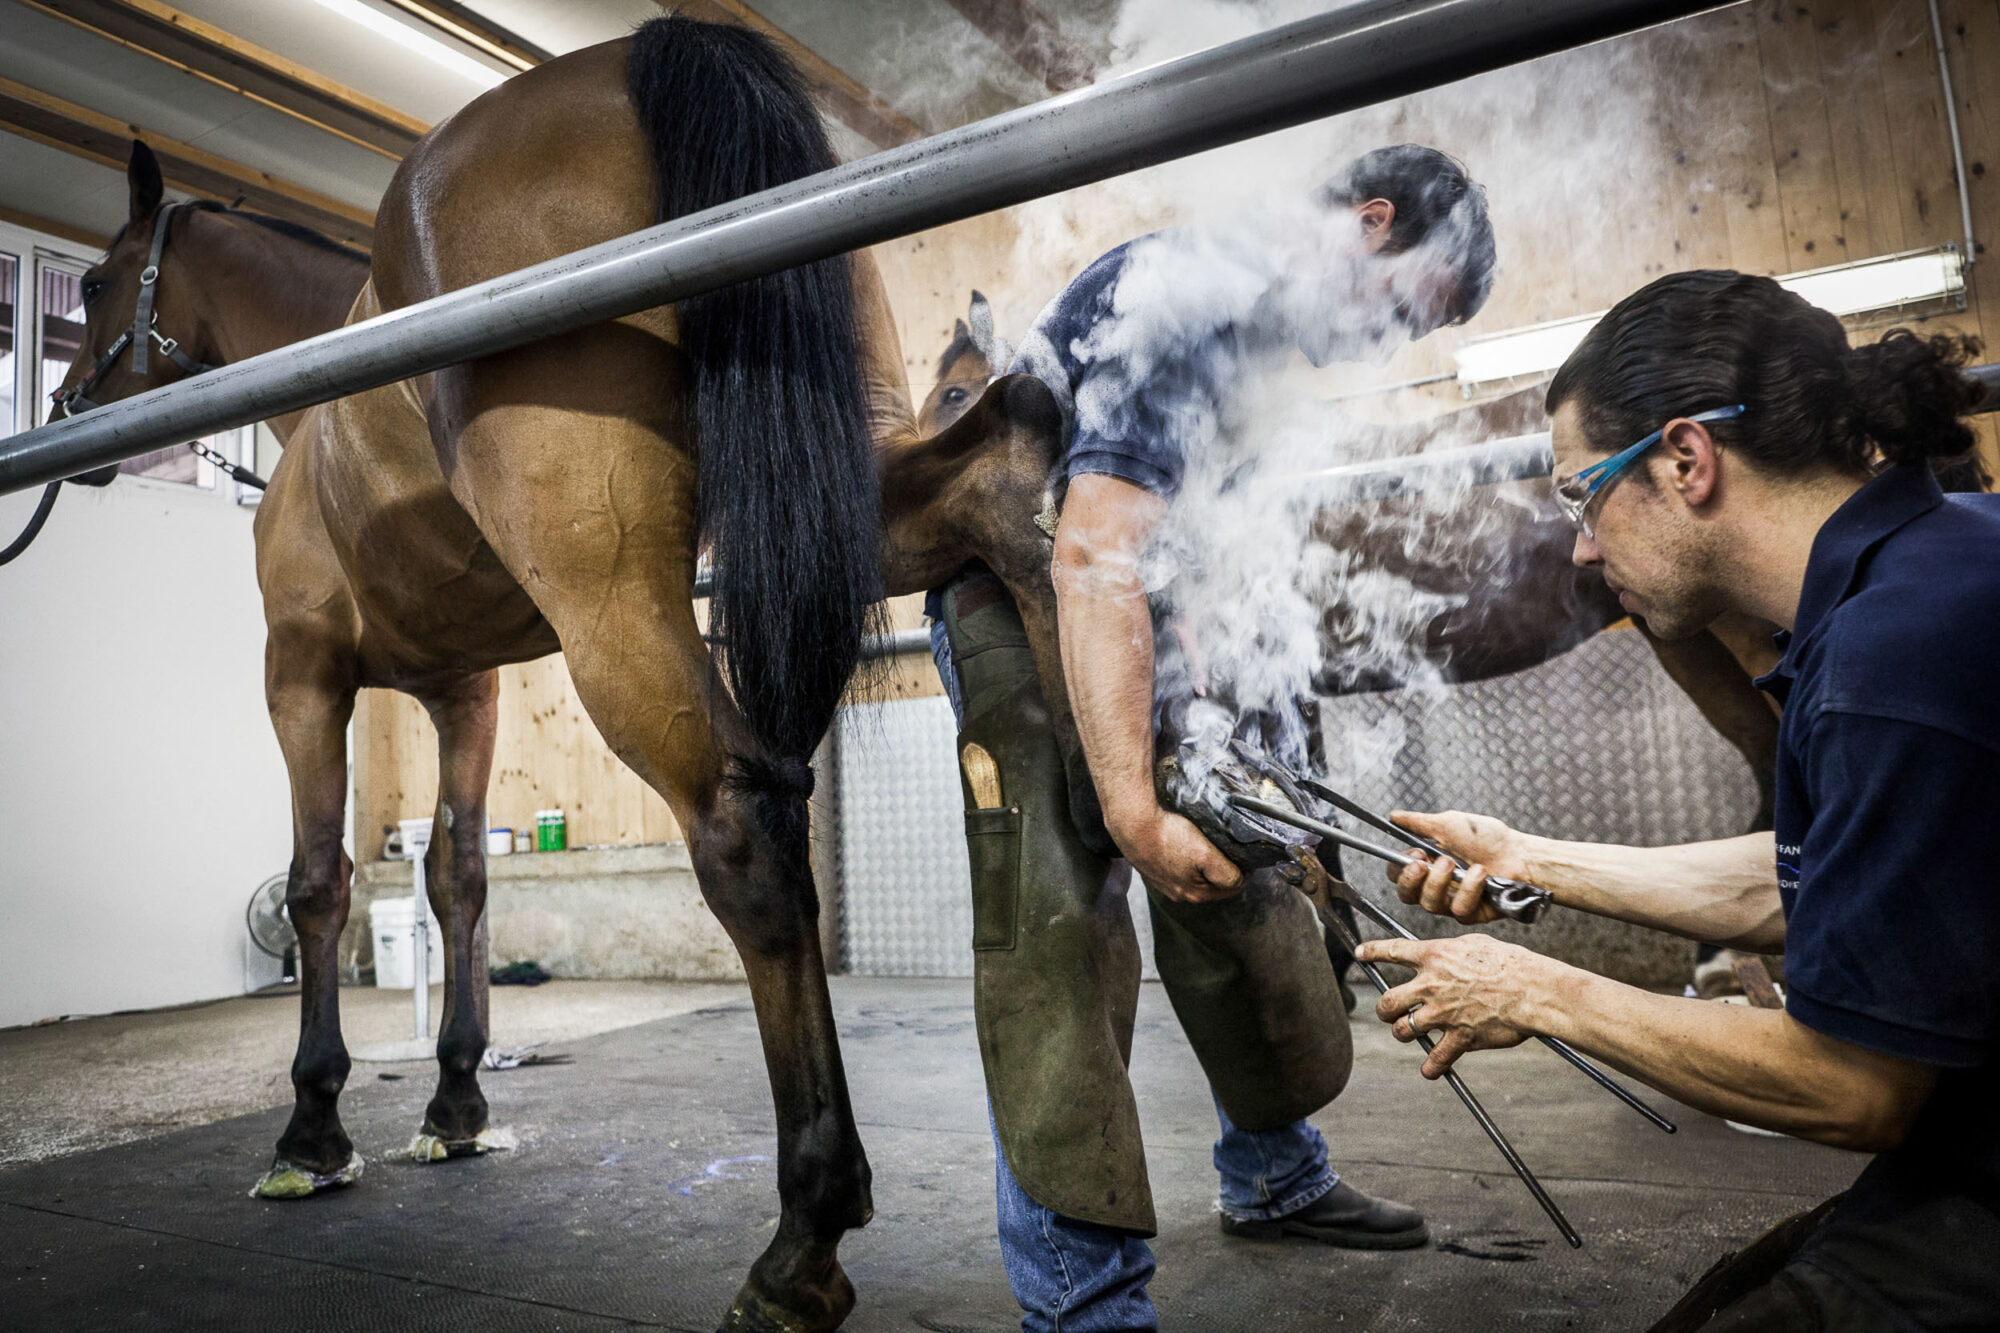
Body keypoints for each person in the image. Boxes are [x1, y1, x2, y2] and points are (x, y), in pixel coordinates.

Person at [1352, 270, 1998, 1330]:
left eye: (1580, 492)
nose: (1579, 545)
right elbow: (1817, 879)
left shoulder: (1885, 665)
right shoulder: (1931, 563)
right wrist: (1527, 858)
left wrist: (1534, 991)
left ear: (1686, 459)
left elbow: (1851, 1087)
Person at [929, 144, 1497, 1331]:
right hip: (1021, 599)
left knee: (1242, 880)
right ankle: (1081, 1298)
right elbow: (1091, 550)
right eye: (1401, 309)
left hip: (1145, 610)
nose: (1377, 347)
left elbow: (1211, 559)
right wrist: (1132, 807)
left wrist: (1268, 765)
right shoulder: (1185, 297)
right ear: (1369, 222)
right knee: (1052, 934)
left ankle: (1275, 1175)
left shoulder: (1265, 343)